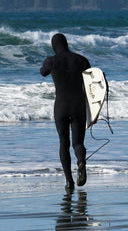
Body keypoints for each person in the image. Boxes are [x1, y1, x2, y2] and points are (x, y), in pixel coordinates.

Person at [40, 33, 91, 192]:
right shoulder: (81, 60)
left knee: (64, 143)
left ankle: (69, 182)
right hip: (79, 105)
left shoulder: (52, 61)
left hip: (61, 106)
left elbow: (43, 72)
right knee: (78, 143)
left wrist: (50, 62)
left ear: (54, 46)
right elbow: (93, 79)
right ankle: (81, 161)